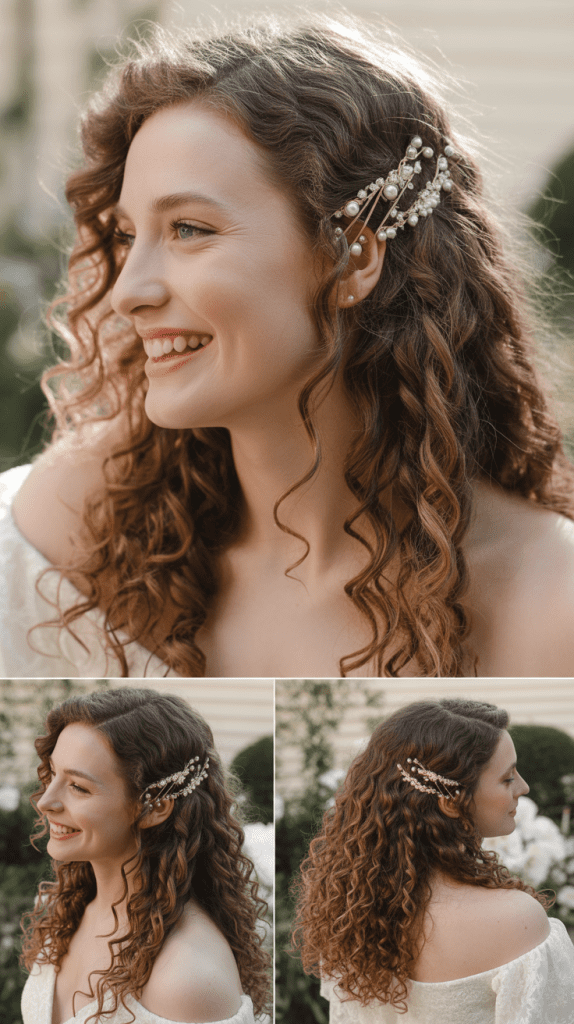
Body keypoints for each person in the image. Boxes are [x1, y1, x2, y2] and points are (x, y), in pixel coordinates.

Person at [3, 16, 574, 678]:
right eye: (129, 235)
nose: (129, 291)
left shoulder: (546, 605)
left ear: (351, 257)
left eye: (189, 229)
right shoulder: (67, 531)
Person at [294, 697, 574, 1022]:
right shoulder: (519, 922)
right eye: (507, 778)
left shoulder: (354, 914)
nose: (523, 788)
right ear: (452, 803)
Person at [19, 687, 270, 1024]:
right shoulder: (68, 911)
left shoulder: (187, 978)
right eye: (52, 774)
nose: (45, 801)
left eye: (79, 787)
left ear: (155, 808)